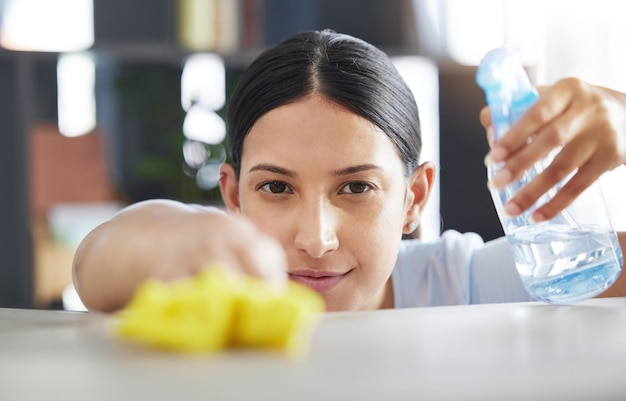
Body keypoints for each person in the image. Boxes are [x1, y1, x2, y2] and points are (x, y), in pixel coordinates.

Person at [72, 30, 626, 313]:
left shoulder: (462, 285)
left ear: (414, 197)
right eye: (276, 187)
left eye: (357, 186)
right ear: (233, 197)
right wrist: (178, 235)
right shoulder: (218, 286)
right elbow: (94, 265)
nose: (316, 239)